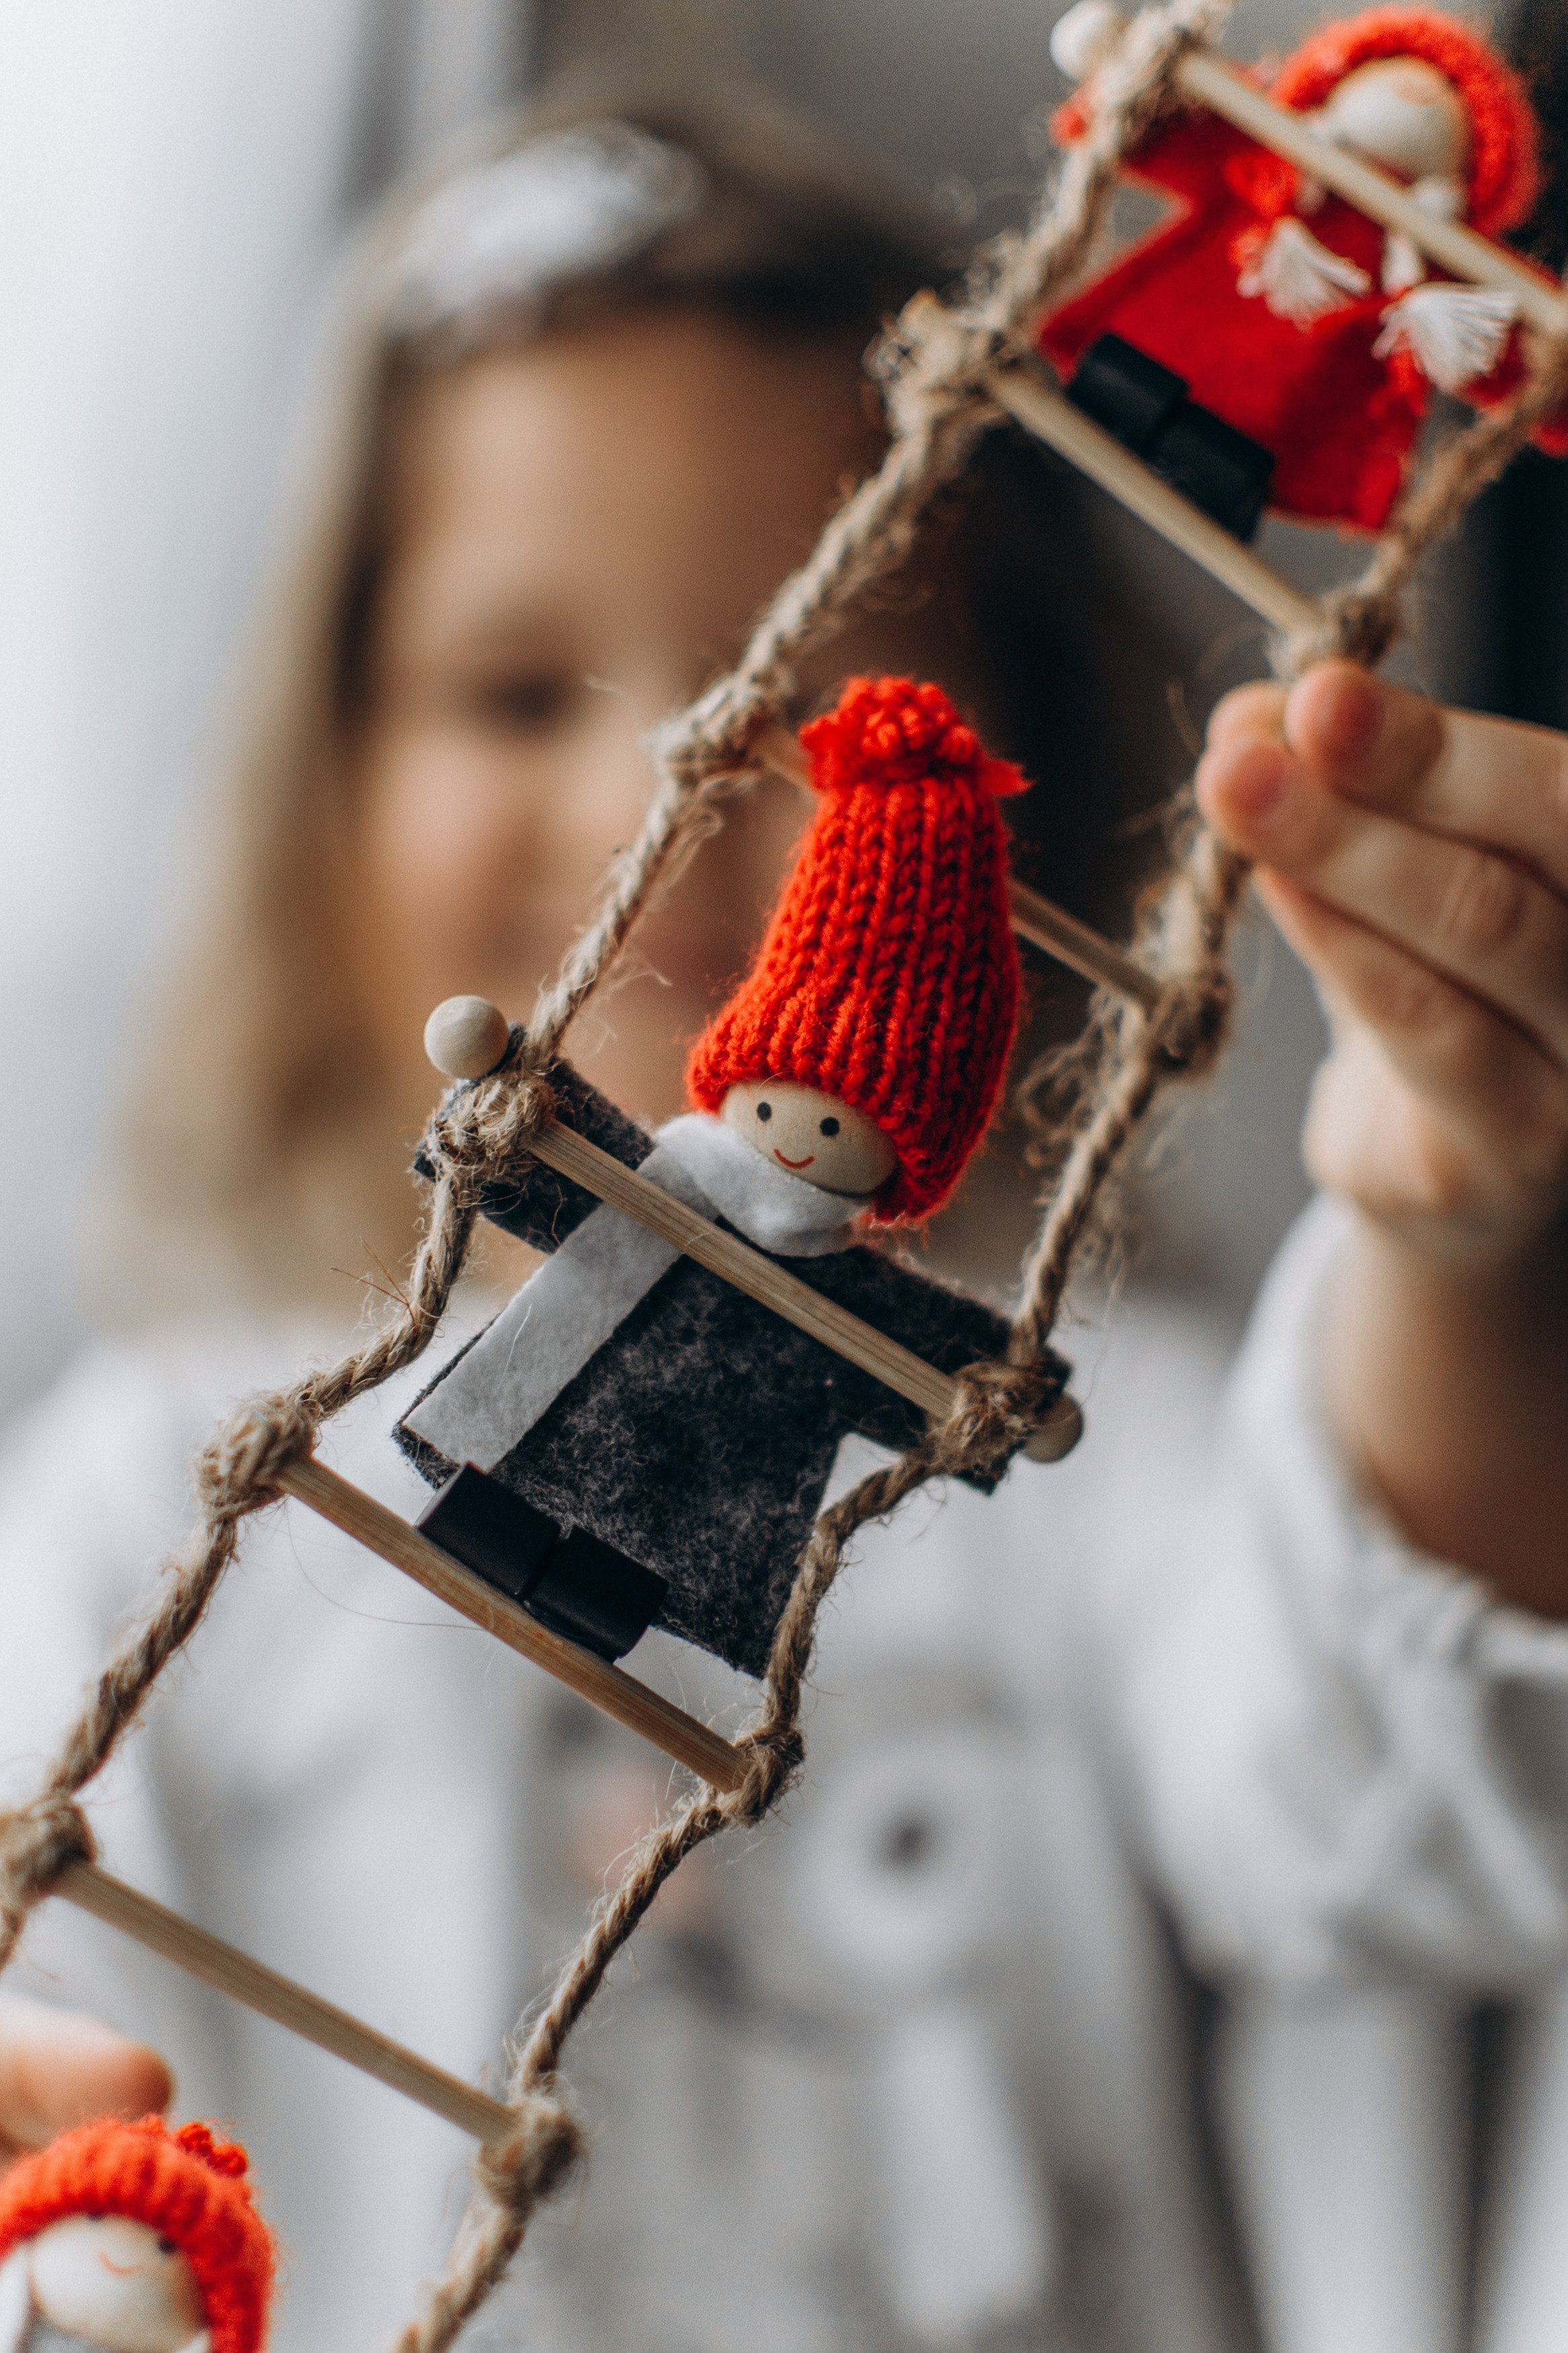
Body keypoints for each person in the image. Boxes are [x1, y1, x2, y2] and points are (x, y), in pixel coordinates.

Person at [1, 82, 1566, 2353]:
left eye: (824, 703)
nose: (668, 781)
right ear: (324, 788)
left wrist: (1454, 1239)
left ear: (1022, 808)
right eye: (517, 688)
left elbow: (1383, 1800)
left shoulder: (1097, 1455)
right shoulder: (158, 1488)